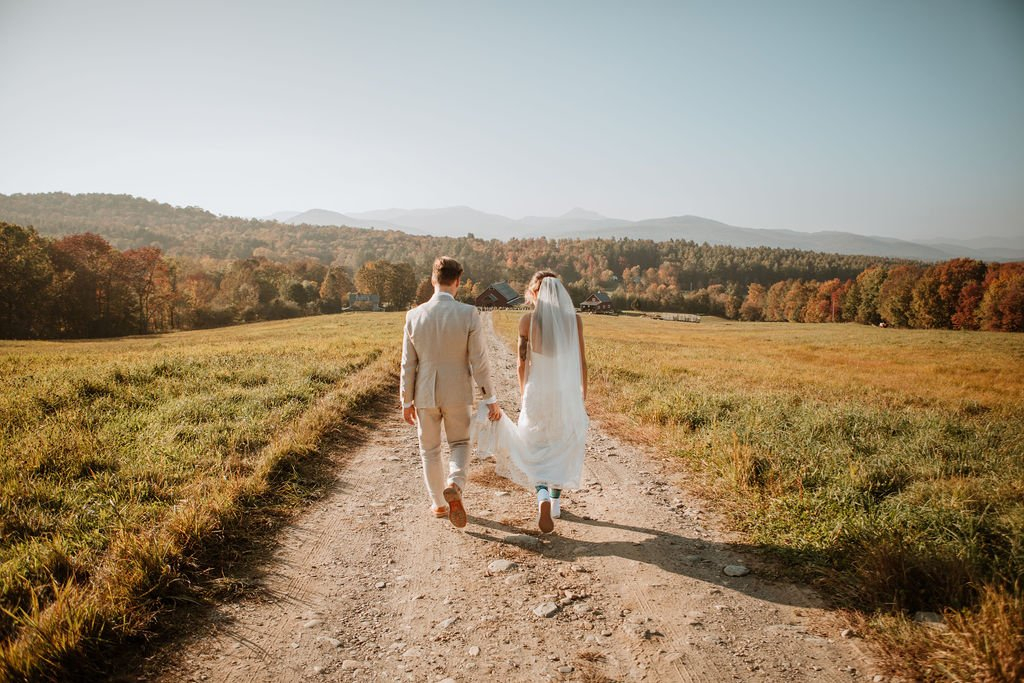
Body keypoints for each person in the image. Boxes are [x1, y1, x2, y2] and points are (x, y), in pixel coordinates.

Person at [476, 271, 589, 533]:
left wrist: (524, 390)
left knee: (535, 444)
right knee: (561, 441)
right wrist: (582, 393)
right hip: (565, 392)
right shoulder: (575, 321)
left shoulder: (527, 321)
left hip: (538, 390)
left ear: (534, 293)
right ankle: (557, 501)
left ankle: (541, 498)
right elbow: (582, 361)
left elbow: (521, 362)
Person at [401, 256, 502, 527]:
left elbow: (408, 363)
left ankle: (438, 504)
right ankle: (455, 484)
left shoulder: (413, 316)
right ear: (457, 281)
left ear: (433, 279)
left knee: (430, 450)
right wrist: (489, 397)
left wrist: (406, 400)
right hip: (458, 391)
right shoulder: (468, 313)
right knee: (459, 443)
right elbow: (478, 361)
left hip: (424, 394)